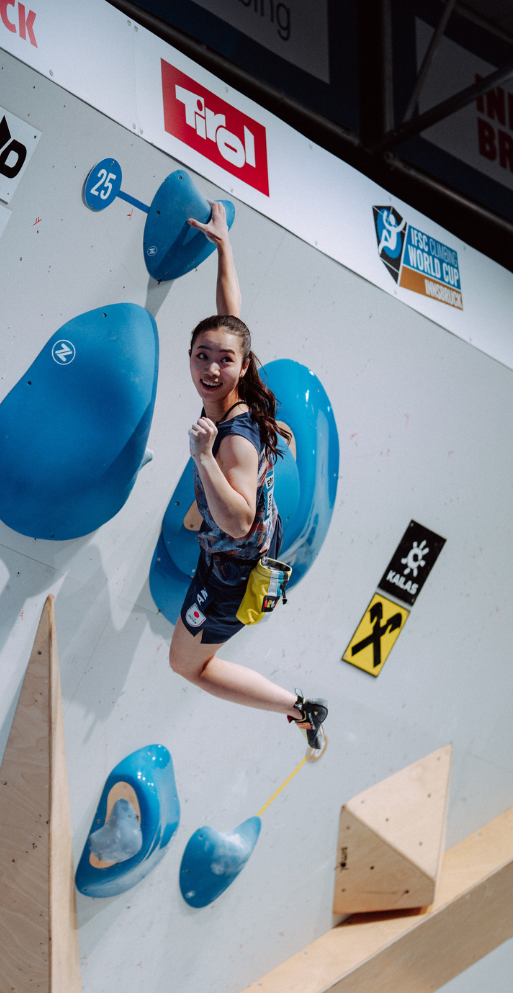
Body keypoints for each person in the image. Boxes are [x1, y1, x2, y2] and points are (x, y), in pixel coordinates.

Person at [168, 201, 330, 749]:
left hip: (233, 571)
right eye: (202, 355)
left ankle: (300, 708)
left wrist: (203, 457)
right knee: (209, 515)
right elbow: (230, 319)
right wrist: (223, 246)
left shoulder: (233, 436)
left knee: (186, 665)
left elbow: (237, 521)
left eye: (223, 360)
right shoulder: (239, 380)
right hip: (256, 540)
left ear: (241, 365)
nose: (211, 369)